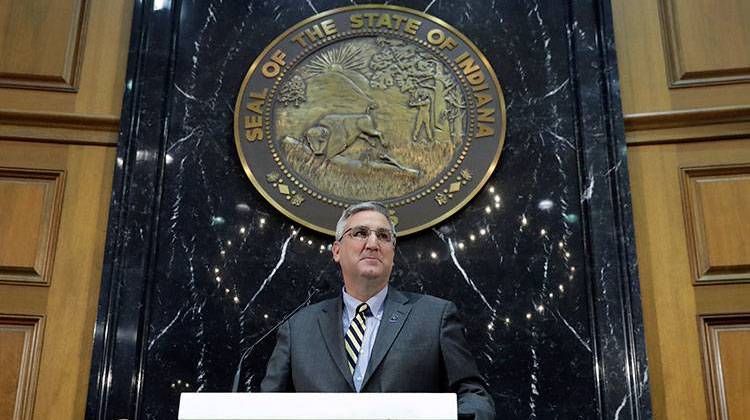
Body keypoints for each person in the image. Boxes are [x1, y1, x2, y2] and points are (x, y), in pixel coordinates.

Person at [261, 202, 495, 420]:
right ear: (337, 251)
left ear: (392, 255)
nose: (373, 243)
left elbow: (475, 399)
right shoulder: (298, 328)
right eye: (360, 233)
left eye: (383, 236)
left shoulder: (434, 317)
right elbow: (266, 409)